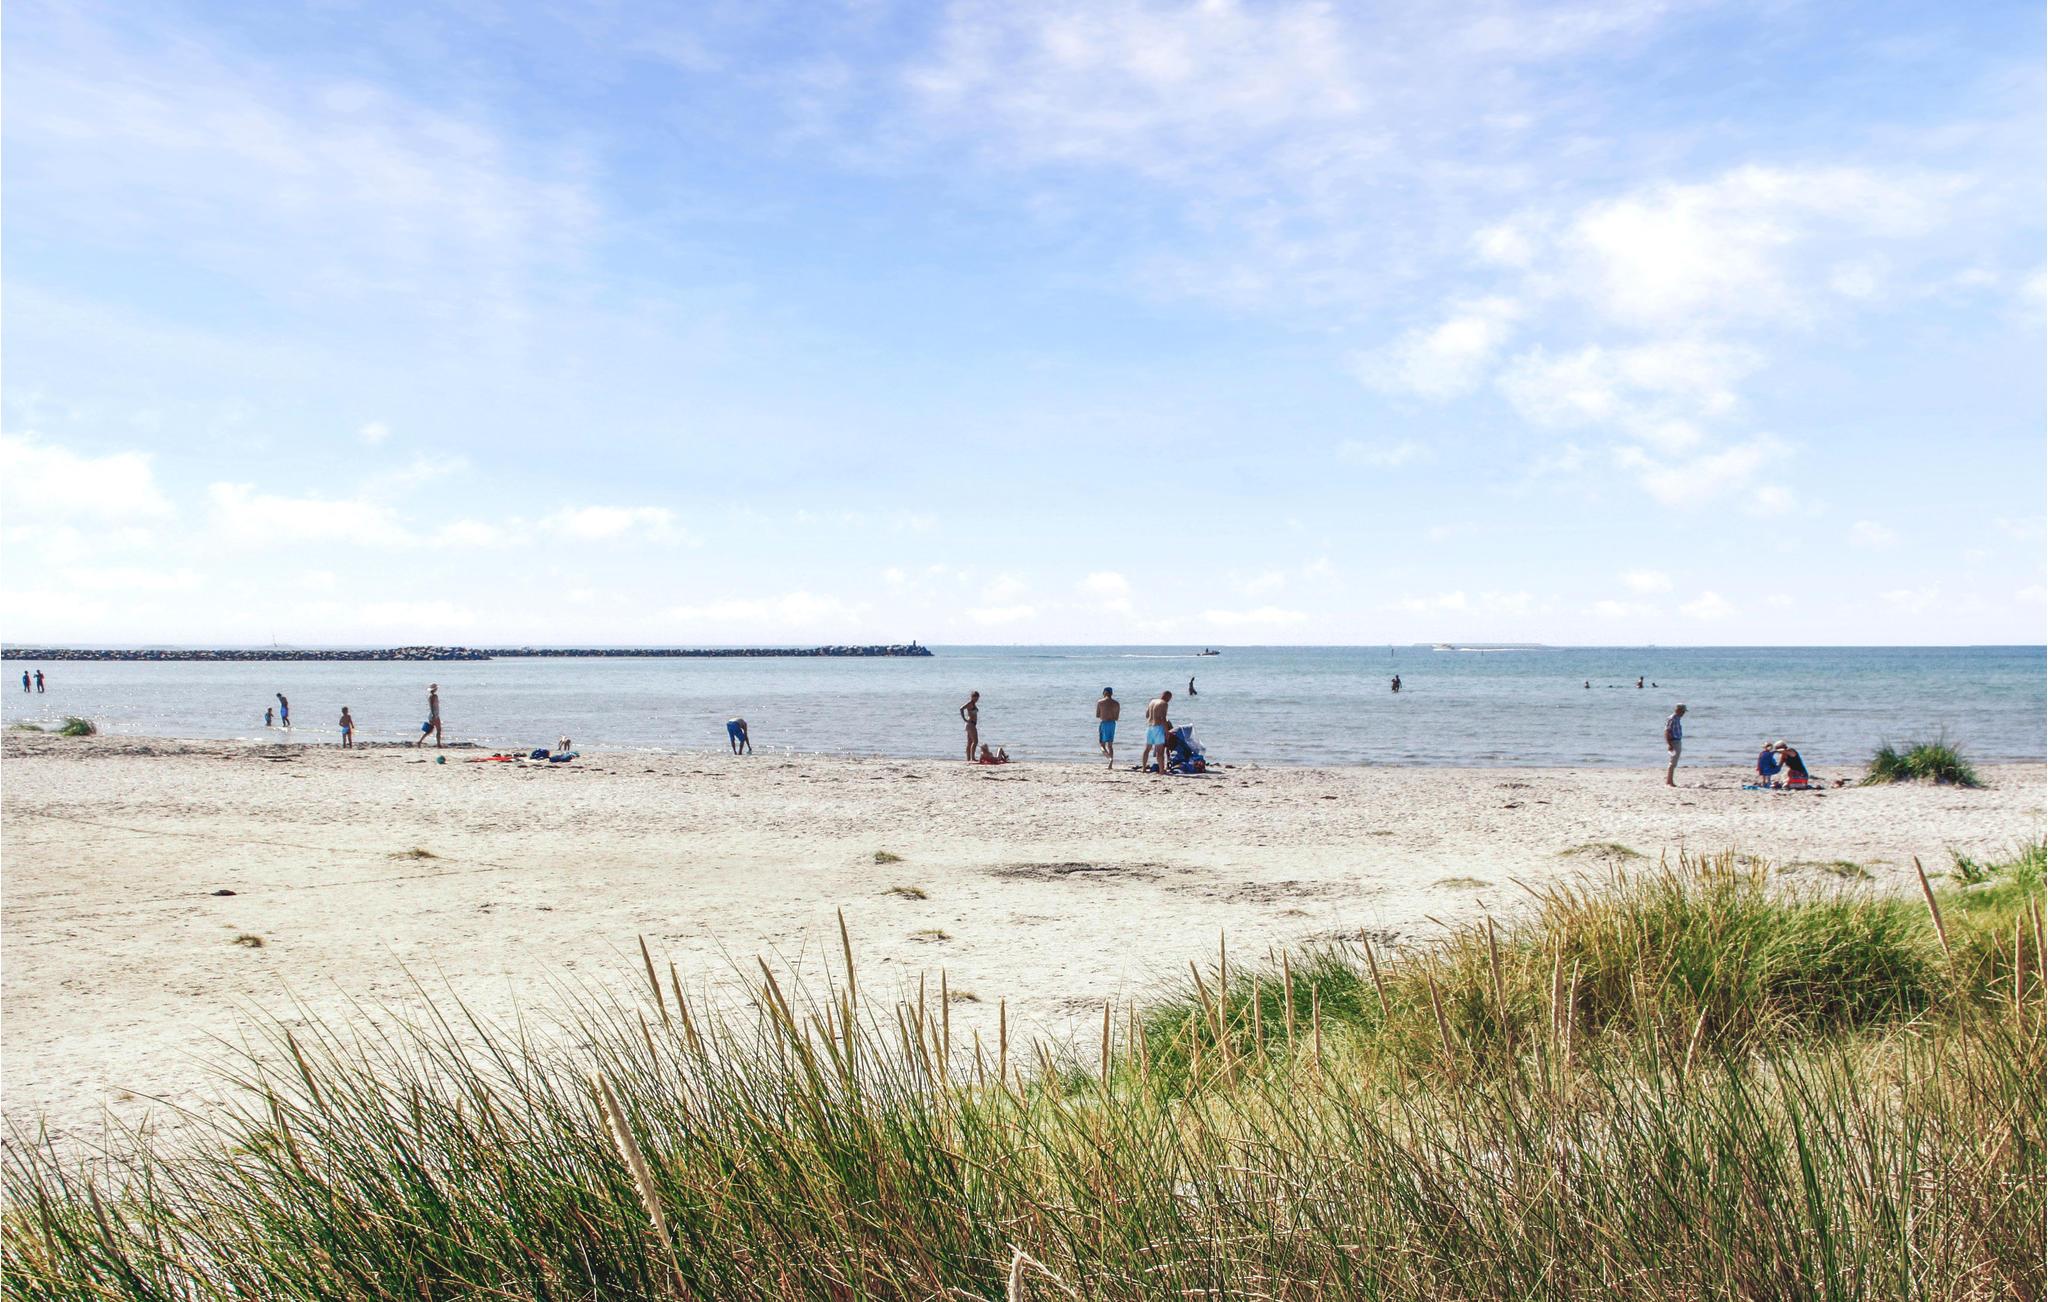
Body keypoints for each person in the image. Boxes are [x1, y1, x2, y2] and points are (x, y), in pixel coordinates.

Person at [1142, 689, 1174, 775]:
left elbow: (1147, 715)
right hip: (1158, 728)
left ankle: (1144, 768)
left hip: (1150, 727)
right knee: (1160, 751)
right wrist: (1166, 731)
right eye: (1170, 698)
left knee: (1147, 749)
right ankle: (1161, 770)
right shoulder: (1164, 703)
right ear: (1168, 697)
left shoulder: (1152, 701)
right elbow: (1163, 718)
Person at [1095, 688, 1120, 769]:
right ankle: (1110, 764)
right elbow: (1117, 717)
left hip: (1104, 723)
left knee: (1102, 745)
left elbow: (1097, 715)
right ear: (1111, 693)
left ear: (1104, 693)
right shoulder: (1116, 703)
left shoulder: (1100, 702)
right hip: (1112, 724)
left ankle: (1109, 758)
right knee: (1110, 745)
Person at [1664, 703, 1686, 786]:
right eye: (1683, 711)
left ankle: (1669, 781)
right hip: (1674, 741)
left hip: (1677, 741)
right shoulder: (1672, 719)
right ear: (1678, 710)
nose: (1683, 713)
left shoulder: (1677, 719)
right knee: (1672, 762)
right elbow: (1667, 731)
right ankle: (1669, 781)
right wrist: (1669, 744)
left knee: (1674, 762)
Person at [959, 691, 980, 763]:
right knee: (975, 741)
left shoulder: (973, 704)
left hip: (971, 724)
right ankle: (972, 758)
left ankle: (968, 758)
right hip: (970, 724)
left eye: (977, 698)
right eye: (975, 698)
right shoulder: (970, 703)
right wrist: (964, 718)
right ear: (972, 697)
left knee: (970, 742)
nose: (976, 699)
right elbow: (961, 708)